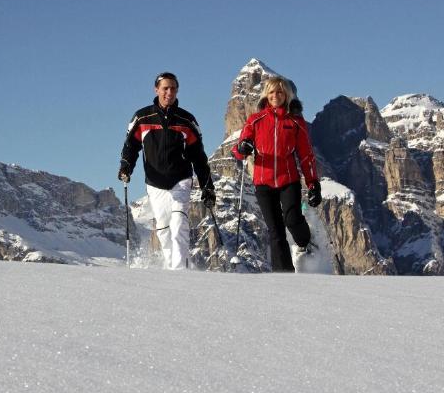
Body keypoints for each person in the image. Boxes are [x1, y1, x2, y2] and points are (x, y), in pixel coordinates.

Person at [119, 72, 216, 270]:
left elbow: (198, 155)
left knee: (179, 221)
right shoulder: (142, 117)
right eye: (165, 88)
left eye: (173, 88)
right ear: (157, 90)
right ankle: (170, 266)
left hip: (180, 179)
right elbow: (131, 146)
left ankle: (179, 270)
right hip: (154, 181)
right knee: (163, 228)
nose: (169, 92)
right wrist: (126, 166)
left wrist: (207, 186)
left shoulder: (186, 120)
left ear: (177, 90)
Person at [232, 76, 322, 272]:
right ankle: (284, 276)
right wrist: (243, 146)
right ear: (266, 94)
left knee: (292, 219)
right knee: (275, 231)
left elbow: (306, 155)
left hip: (288, 180)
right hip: (263, 183)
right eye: (271, 92)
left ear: (286, 95)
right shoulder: (255, 120)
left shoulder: (295, 122)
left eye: (280, 92)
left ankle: (307, 242)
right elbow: (237, 152)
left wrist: (313, 182)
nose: (275, 96)